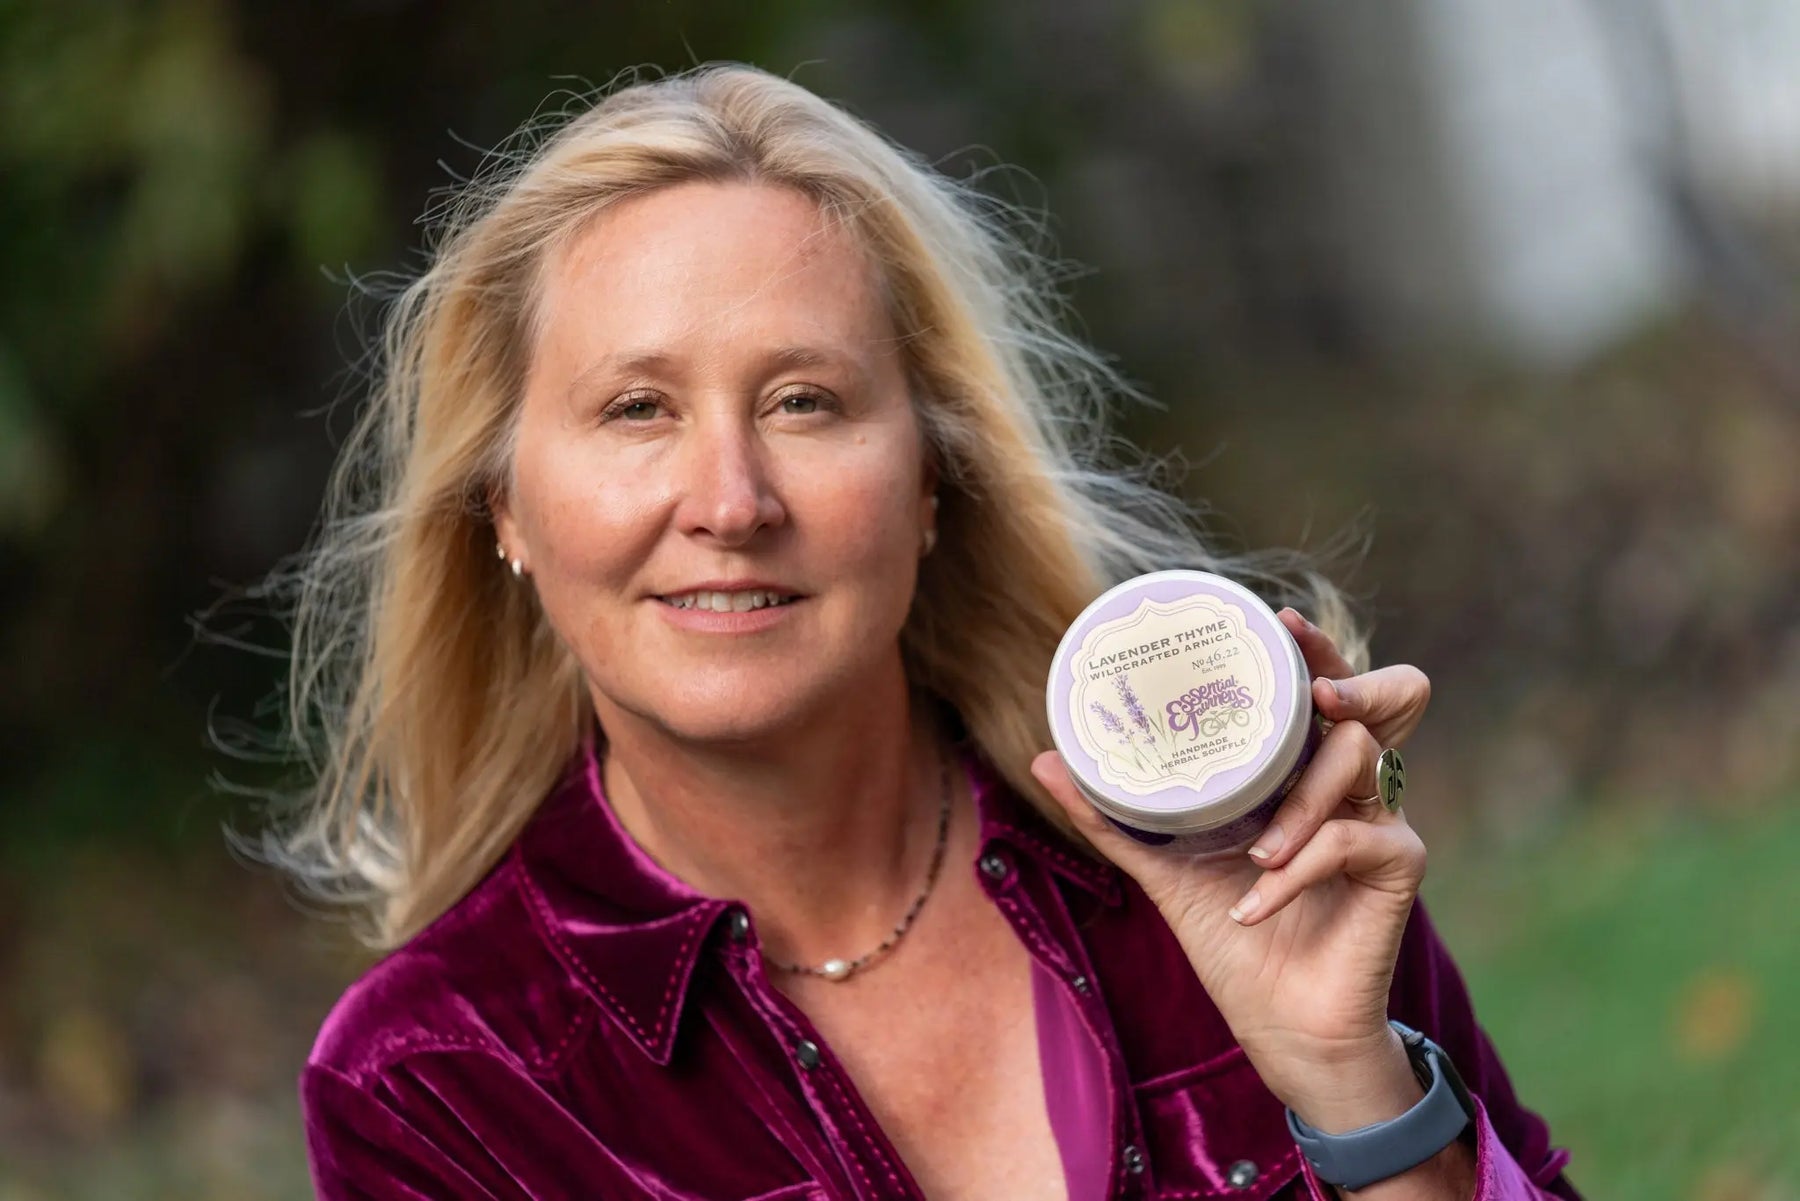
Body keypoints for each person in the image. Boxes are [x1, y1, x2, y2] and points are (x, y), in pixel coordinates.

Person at [276, 63, 1581, 1200]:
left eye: (803, 399)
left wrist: (1357, 1088)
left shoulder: (1247, 861)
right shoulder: (438, 1079)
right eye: (636, 409)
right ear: (505, 503)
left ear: (931, 479)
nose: (730, 501)